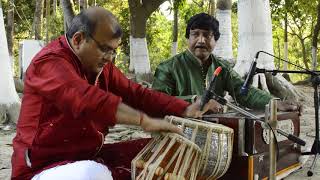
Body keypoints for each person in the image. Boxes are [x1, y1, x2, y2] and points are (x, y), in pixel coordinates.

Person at [11, 7, 219, 180]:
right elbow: (86, 99)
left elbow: (137, 94)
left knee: (162, 148)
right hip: (41, 169)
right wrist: (143, 120)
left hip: (88, 156)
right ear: (78, 39)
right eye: (105, 49)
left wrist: (185, 108)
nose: (109, 58)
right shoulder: (48, 63)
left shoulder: (101, 66)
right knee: (91, 174)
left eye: (113, 51)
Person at [152, 13, 298, 111]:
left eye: (207, 35)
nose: (201, 40)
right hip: (176, 135)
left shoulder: (221, 67)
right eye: (195, 34)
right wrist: (196, 100)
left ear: (215, 40)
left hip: (216, 136)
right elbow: (156, 103)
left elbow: (244, 92)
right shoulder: (168, 68)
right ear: (187, 38)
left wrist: (275, 104)